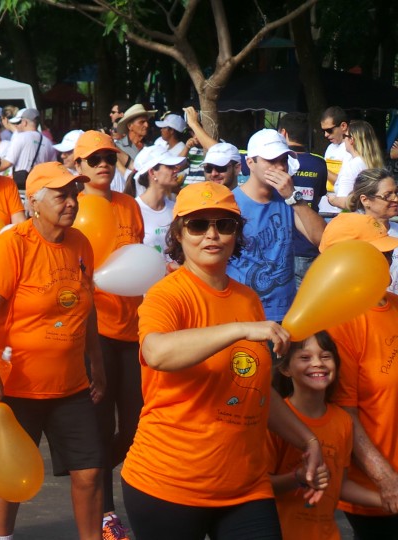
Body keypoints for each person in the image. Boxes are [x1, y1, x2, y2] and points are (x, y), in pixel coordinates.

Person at [122, 181, 327, 540]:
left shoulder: (247, 299)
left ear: (237, 233)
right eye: (198, 225)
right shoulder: (166, 295)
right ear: (178, 233)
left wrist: (308, 441)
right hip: (168, 484)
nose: (212, 234)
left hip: (245, 488)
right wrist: (239, 331)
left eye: (225, 224)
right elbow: (156, 353)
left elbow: (255, 389)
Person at [0, 161, 106, 539]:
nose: (71, 202)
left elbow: (86, 307)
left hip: (71, 386)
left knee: (91, 471)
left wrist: (98, 364)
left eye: (74, 194)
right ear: (33, 201)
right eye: (61, 195)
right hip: (17, 387)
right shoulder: (13, 245)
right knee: (9, 476)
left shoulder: (81, 244)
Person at [73, 130, 145, 539]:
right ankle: (105, 513)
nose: (103, 163)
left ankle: (94, 472)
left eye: (108, 157)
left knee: (134, 426)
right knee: (100, 423)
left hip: (134, 328)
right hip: (93, 331)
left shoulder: (130, 205)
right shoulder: (74, 207)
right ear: (79, 167)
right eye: (94, 158)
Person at [319, 212, 398, 539]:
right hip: (379, 492)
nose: (389, 259)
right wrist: (386, 479)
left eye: (389, 252)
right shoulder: (338, 323)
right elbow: (343, 413)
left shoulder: (394, 304)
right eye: (378, 254)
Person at [268, 332, 382, 540]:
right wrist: (298, 477)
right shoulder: (276, 421)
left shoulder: (343, 421)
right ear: (285, 368)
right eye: (305, 357)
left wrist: (386, 499)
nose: (318, 363)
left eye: (326, 356)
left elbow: (340, 485)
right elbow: (259, 486)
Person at [227, 129, 325, 323]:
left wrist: (294, 198)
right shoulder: (229, 203)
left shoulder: (288, 201)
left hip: (285, 315)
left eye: (283, 160)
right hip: (242, 314)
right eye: (271, 161)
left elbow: (322, 238)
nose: (279, 167)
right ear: (250, 163)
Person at [277, 112, 328, 286]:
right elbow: (319, 196)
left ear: (283, 134)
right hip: (310, 246)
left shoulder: (273, 163)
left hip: (283, 247)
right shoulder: (319, 163)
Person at [346, 168, 398, 292]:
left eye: (396, 192)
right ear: (365, 200)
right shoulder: (350, 233)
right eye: (387, 195)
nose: (395, 199)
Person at [133, 146, 186, 259]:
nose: (176, 170)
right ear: (152, 173)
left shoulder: (176, 209)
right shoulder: (133, 209)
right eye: (169, 166)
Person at [327, 120, 385, 210]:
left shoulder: (353, 166)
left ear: (351, 140)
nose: (343, 139)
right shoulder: (379, 165)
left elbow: (345, 202)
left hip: (354, 219)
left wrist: (332, 200)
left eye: (344, 136)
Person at [3, 108, 56, 183]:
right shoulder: (48, 143)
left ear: (24, 122)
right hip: (39, 187)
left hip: (21, 187)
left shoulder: (20, 137)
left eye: (20, 122)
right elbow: (53, 169)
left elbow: (7, 163)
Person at [114, 104, 155, 174]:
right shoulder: (118, 147)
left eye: (147, 122)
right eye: (142, 122)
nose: (146, 125)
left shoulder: (151, 147)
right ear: (130, 126)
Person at [320, 106, 350, 185]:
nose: (326, 135)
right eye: (323, 131)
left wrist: (319, 167)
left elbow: (345, 183)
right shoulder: (330, 147)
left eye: (329, 130)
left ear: (343, 126)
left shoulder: (351, 148)